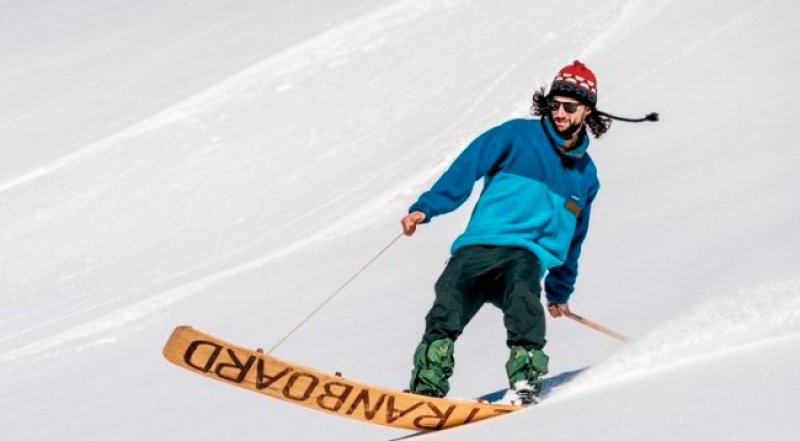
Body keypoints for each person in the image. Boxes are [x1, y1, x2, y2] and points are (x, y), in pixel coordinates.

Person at [401, 60, 656, 404]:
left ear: (587, 112)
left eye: (570, 107)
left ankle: (525, 381)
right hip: (479, 244)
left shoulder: (585, 176)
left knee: (523, 298)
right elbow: (467, 166)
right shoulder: (516, 135)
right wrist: (426, 208)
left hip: (525, 253)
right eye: (555, 104)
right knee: (448, 300)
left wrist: (559, 291)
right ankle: (426, 387)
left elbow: (573, 240)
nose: (560, 113)